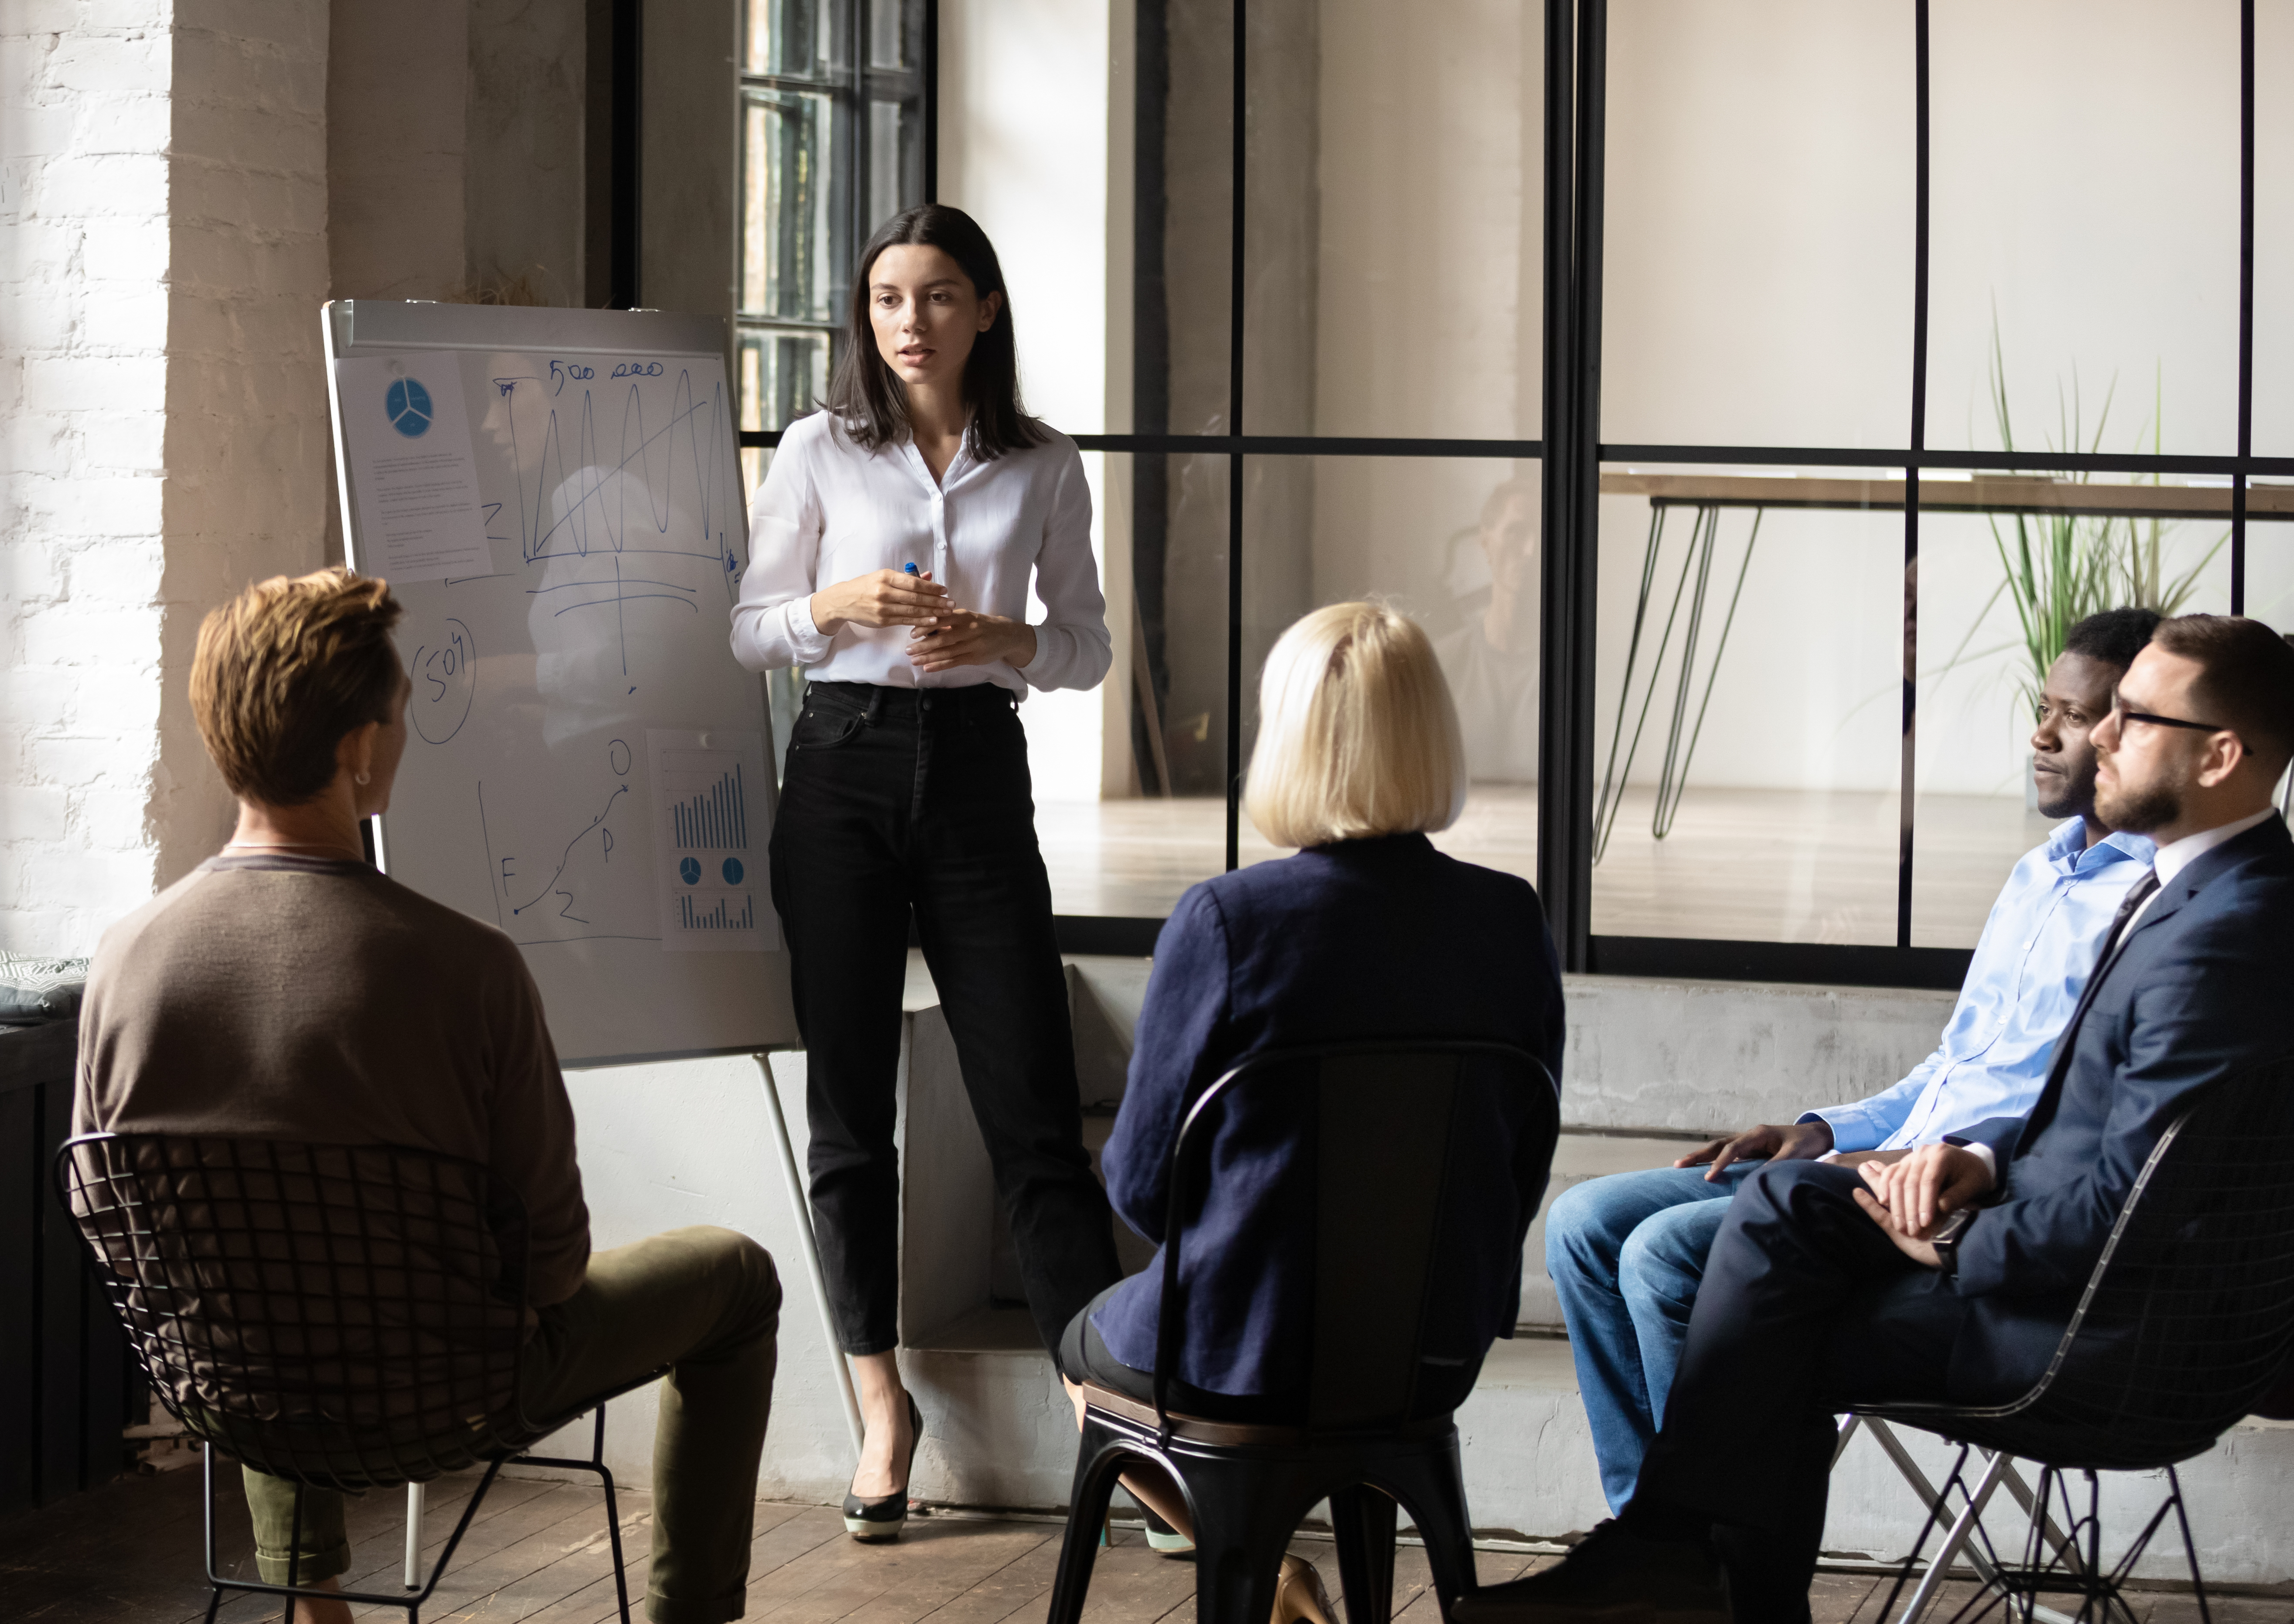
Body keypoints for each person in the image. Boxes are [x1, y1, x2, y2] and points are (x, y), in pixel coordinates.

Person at [1456, 614, 2294, 1624]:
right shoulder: (2199, 898)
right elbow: (2097, 1132)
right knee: (1775, 1208)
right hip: (2033, 1239)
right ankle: (1677, 1558)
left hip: (2086, 1332)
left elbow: (2127, 1208)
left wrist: (1951, 1232)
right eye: (2089, 713)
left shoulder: (2220, 936)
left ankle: (1690, 1570)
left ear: (2220, 754)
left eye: (2128, 716)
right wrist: (1972, 1163)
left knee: (1741, 1287)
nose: (2099, 736)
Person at [75, 568, 783, 1624]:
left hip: (238, 1392)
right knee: (736, 1278)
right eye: (400, 715)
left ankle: (315, 1603)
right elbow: (548, 1268)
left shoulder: (123, 959)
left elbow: (118, 1222)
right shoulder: (469, 967)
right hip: (450, 1397)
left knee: (263, 1264)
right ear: (359, 749)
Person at [1544, 607, 2162, 1514]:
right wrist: (1823, 1128)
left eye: (2074, 714)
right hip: (1862, 1161)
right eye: (2044, 705)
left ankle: (1707, 1546)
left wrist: (1899, 1163)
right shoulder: (2037, 875)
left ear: (2125, 734)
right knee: (1582, 1221)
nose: (2042, 732)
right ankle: (1655, 1535)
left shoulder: (2150, 903)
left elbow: (2062, 1121)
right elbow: (1952, 1065)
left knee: (1662, 1253)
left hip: (1934, 1200)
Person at [731, 202, 1120, 1540]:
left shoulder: (1044, 465)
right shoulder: (818, 449)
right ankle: (879, 1407)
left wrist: (1008, 636)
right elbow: (743, 630)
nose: (910, 321)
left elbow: (1086, 649)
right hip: (834, 769)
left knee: (1030, 1105)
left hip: (972, 770)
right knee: (849, 1110)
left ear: (984, 311)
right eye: (888, 297)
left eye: (938, 295)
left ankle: (1099, 1411)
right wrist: (828, 610)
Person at [1064, 604, 1565, 1622]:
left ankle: (1262, 1568)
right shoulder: (1511, 920)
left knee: (1081, 1354)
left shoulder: (1226, 921)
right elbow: (1522, 1162)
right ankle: (1292, 1577)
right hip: (1430, 1351)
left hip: (1240, 1347)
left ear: (1284, 738)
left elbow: (1143, 1187)